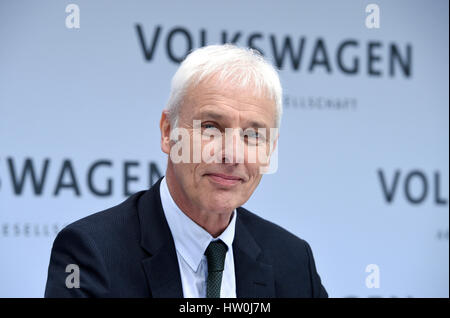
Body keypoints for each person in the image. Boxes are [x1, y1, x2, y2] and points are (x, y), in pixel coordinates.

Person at [44, 44, 328, 298]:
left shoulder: (293, 261)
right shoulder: (92, 254)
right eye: (211, 128)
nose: (232, 155)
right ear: (168, 132)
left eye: (253, 135)